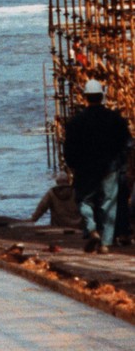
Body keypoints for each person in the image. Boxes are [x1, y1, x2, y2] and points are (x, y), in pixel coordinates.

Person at [64, 79, 130, 252]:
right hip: (110, 166)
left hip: (86, 167)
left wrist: (73, 164)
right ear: (102, 96)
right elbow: (126, 142)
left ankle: (92, 228)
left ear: (85, 97)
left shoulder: (76, 122)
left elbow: (69, 147)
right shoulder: (115, 119)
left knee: (84, 200)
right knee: (109, 203)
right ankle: (107, 242)